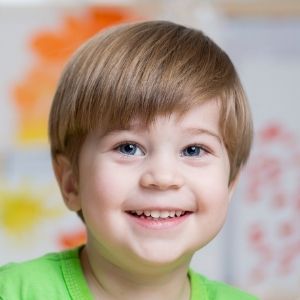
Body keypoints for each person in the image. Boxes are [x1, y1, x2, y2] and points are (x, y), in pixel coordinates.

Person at [0, 20, 257, 300]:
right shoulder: (15, 291)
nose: (162, 177)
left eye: (193, 150)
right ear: (71, 182)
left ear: (230, 184)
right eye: (128, 147)